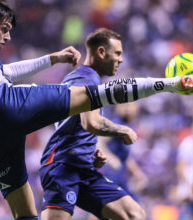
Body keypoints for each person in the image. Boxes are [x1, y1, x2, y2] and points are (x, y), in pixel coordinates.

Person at [0, 0, 193, 219]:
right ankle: (174, 83)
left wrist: (52, 59)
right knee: (96, 96)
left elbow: (6, 72)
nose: (7, 36)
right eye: (4, 28)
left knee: (25, 212)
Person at [39, 28, 147, 220]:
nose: (121, 59)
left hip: (84, 168)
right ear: (101, 52)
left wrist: (89, 151)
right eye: (118, 53)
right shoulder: (87, 79)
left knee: (133, 214)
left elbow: (69, 124)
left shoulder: (84, 79)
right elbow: (91, 123)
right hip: (62, 167)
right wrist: (123, 130)